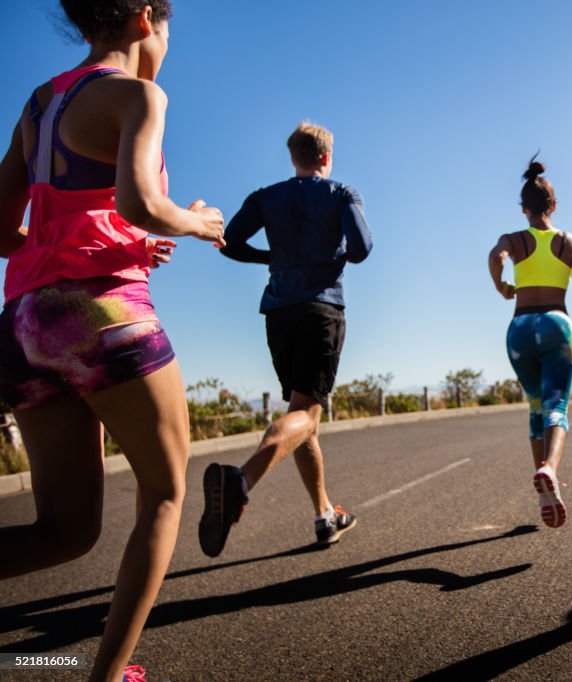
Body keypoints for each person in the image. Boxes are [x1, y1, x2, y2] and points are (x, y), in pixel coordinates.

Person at [0, 1, 226, 680]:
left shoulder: (40, 104)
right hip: (104, 318)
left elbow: (5, 229)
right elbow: (137, 201)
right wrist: (192, 220)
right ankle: (107, 678)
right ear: (142, 18)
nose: (165, 45)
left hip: (24, 324)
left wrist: (111, 243)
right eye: (166, 29)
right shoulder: (137, 95)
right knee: (162, 493)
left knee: (65, 531)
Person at [200, 122, 372, 557]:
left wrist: (270, 257)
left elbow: (229, 241)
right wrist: (337, 255)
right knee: (307, 416)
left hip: (278, 313)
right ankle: (240, 481)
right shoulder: (341, 193)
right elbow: (363, 247)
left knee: (301, 414)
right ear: (326, 157)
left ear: (293, 157)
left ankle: (324, 515)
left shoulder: (265, 197)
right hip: (322, 309)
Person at [488, 157, 572, 528]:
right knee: (556, 407)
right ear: (554, 206)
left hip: (519, 327)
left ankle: (543, 488)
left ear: (523, 209)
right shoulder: (569, 242)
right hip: (555, 323)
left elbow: (495, 256)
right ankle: (550, 468)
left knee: (535, 407)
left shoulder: (514, 239)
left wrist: (502, 285)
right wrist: (570, 267)